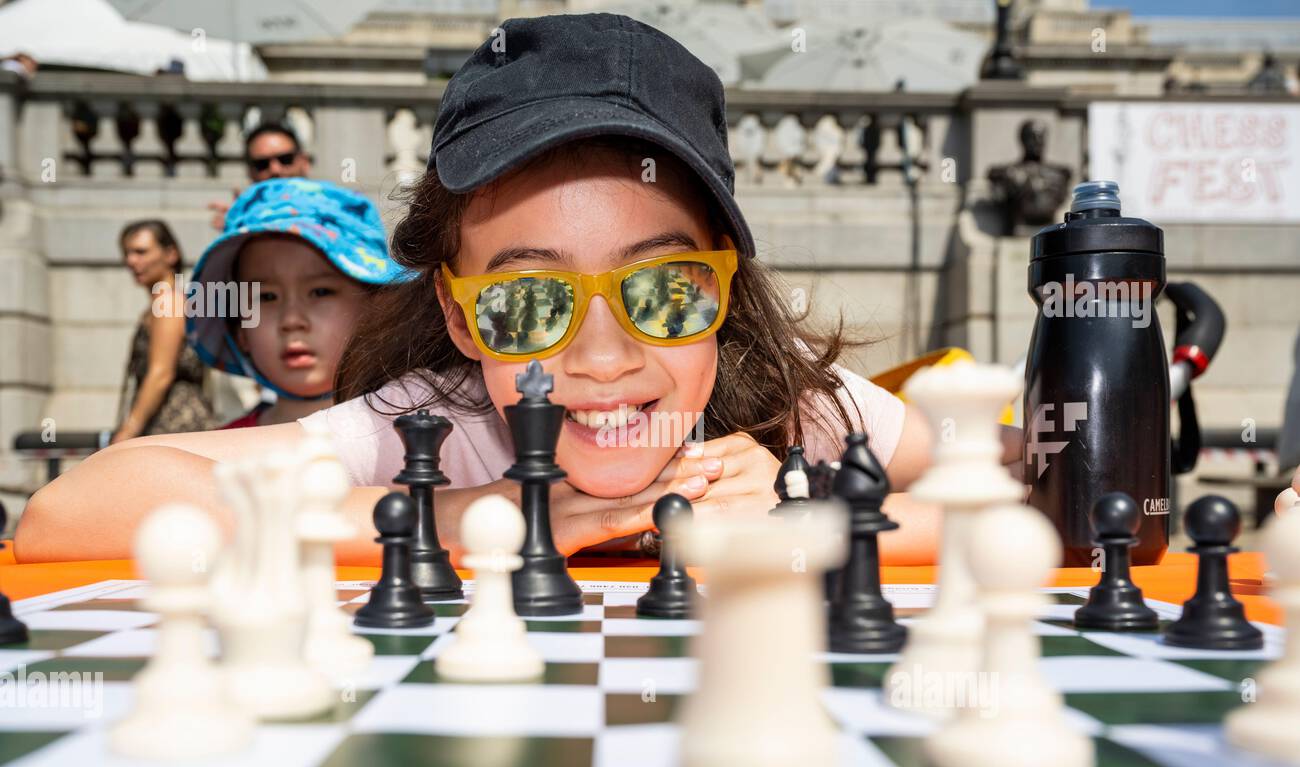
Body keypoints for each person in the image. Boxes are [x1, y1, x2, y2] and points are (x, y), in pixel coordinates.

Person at [16, 13, 1011, 564]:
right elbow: (68, 512)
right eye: (528, 303)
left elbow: (1036, 491)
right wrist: (454, 515)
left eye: (663, 289)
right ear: (457, 313)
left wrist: (808, 502)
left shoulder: (790, 409)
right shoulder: (438, 423)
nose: (603, 355)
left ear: (723, 284)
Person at [190, 177, 407, 428]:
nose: (292, 321)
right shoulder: (216, 453)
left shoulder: (415, 439)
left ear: (376, 310)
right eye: (267, 297)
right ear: (241, 332)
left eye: (320, 292)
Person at [112, 221, 217, 443]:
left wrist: (126, 432)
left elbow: (161, 374)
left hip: (175, 427)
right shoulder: (166, 302)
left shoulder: (168, 302)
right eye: (127, 253)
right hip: (174, 426)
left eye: (141, 252)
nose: (131, 261)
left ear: (170, 254)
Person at [208, 121, 312, 231]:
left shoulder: (329, 206)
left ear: (304, 162)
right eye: (262, 164)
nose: (275, 169)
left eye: (285, 159)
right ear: (250, 171)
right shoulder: (241, 220)